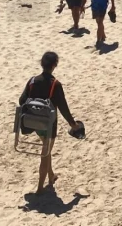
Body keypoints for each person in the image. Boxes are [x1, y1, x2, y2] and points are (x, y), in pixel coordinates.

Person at [19, 52, 83, 194]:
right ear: (54, 65)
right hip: (49, 124)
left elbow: (21, 100)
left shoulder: (32, 81)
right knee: (46, 152)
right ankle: (40, 187)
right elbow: (63, 108)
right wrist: (73, 125)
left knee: (46, 150)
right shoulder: (55, 84)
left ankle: (51, 175)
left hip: (33, 122)